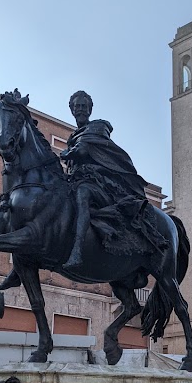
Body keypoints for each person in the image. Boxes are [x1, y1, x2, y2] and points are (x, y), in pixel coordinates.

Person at [61, 91, 148, 268]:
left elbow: (84, 149)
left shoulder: (98, 127)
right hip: (76, 180)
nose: (80, 110)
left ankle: (77, 250)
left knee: (82, 194)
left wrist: (70, 153)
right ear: (71, 110)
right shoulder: (73, 137)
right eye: (77, 106)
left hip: (100, 182)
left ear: (90, 109)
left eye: (84, 106)